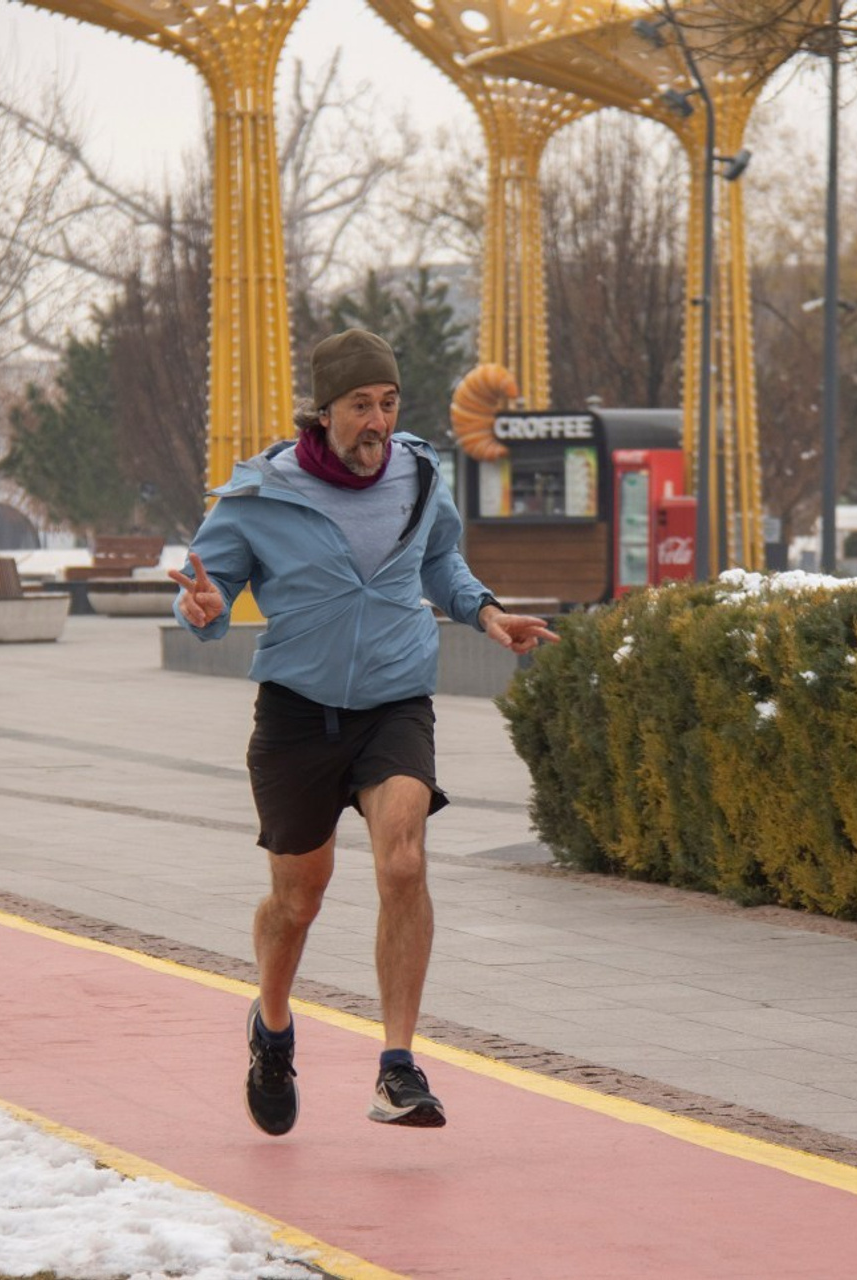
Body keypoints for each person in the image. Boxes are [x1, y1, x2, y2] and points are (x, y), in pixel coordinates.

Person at [168, 328, 558, 1137]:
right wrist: (200, 610)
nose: (377, 423)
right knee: (297, 900)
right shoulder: (259, 496)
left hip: (393, 702)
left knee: (404, 858)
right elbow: (209, 590)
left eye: (387, 403)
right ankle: (272, 1028)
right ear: (324, 413)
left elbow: (441, 564)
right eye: (359, 407)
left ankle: (397, 1067)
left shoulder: (419, 475)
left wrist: (486, 613)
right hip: (297, 713)